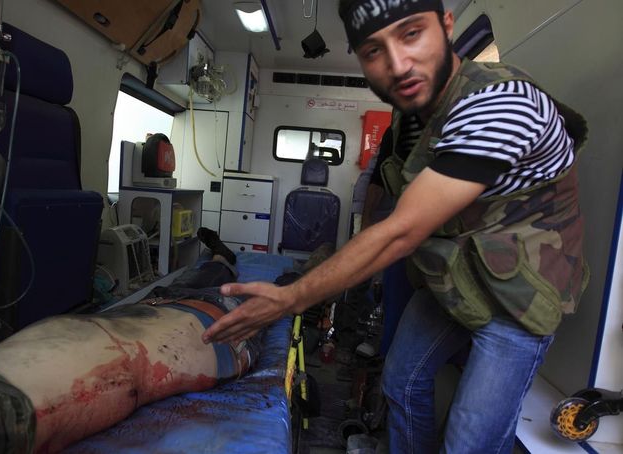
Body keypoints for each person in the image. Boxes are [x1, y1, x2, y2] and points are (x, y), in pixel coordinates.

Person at [203, 1, 588, 452]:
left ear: (446, 27)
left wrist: (292, 298)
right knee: (401, 382)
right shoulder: (413, 117)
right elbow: (386, 201)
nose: (398, 64)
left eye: (411, 34)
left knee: (470, 441)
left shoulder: (500, 104)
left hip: (520, 296)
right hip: (460, 278)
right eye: (373, 50)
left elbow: (402, 229)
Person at [0, 228, 307, 454]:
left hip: (209, 313)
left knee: (252, 294)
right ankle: (223, 257)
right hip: (160, 303)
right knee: (207, 274)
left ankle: (281, 277)